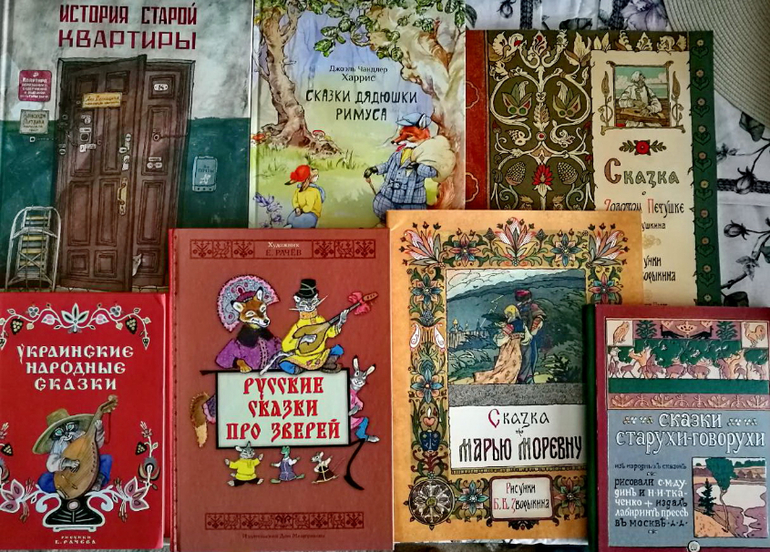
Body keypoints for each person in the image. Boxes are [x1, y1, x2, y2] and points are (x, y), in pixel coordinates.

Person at [33, 408, 112, 494]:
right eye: (59, 431)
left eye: (69, 427)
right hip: (67, 475)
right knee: (44, 479)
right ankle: (64, 491)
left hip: (87, 469)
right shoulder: (57, 445)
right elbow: (51, 464)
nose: (66, 433)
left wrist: (99, 430)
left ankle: (97, 482)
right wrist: (66, 462)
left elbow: (95, 445)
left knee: (106, 459)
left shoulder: (80, 434)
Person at [514, 290, 546, 384]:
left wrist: (532, 331)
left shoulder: (532, 306)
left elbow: (539, 317)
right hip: (518, 337)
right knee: (520, 357)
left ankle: (528, 377)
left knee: (529, 356)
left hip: (529, 336)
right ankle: (520, 377)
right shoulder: (518, 307)